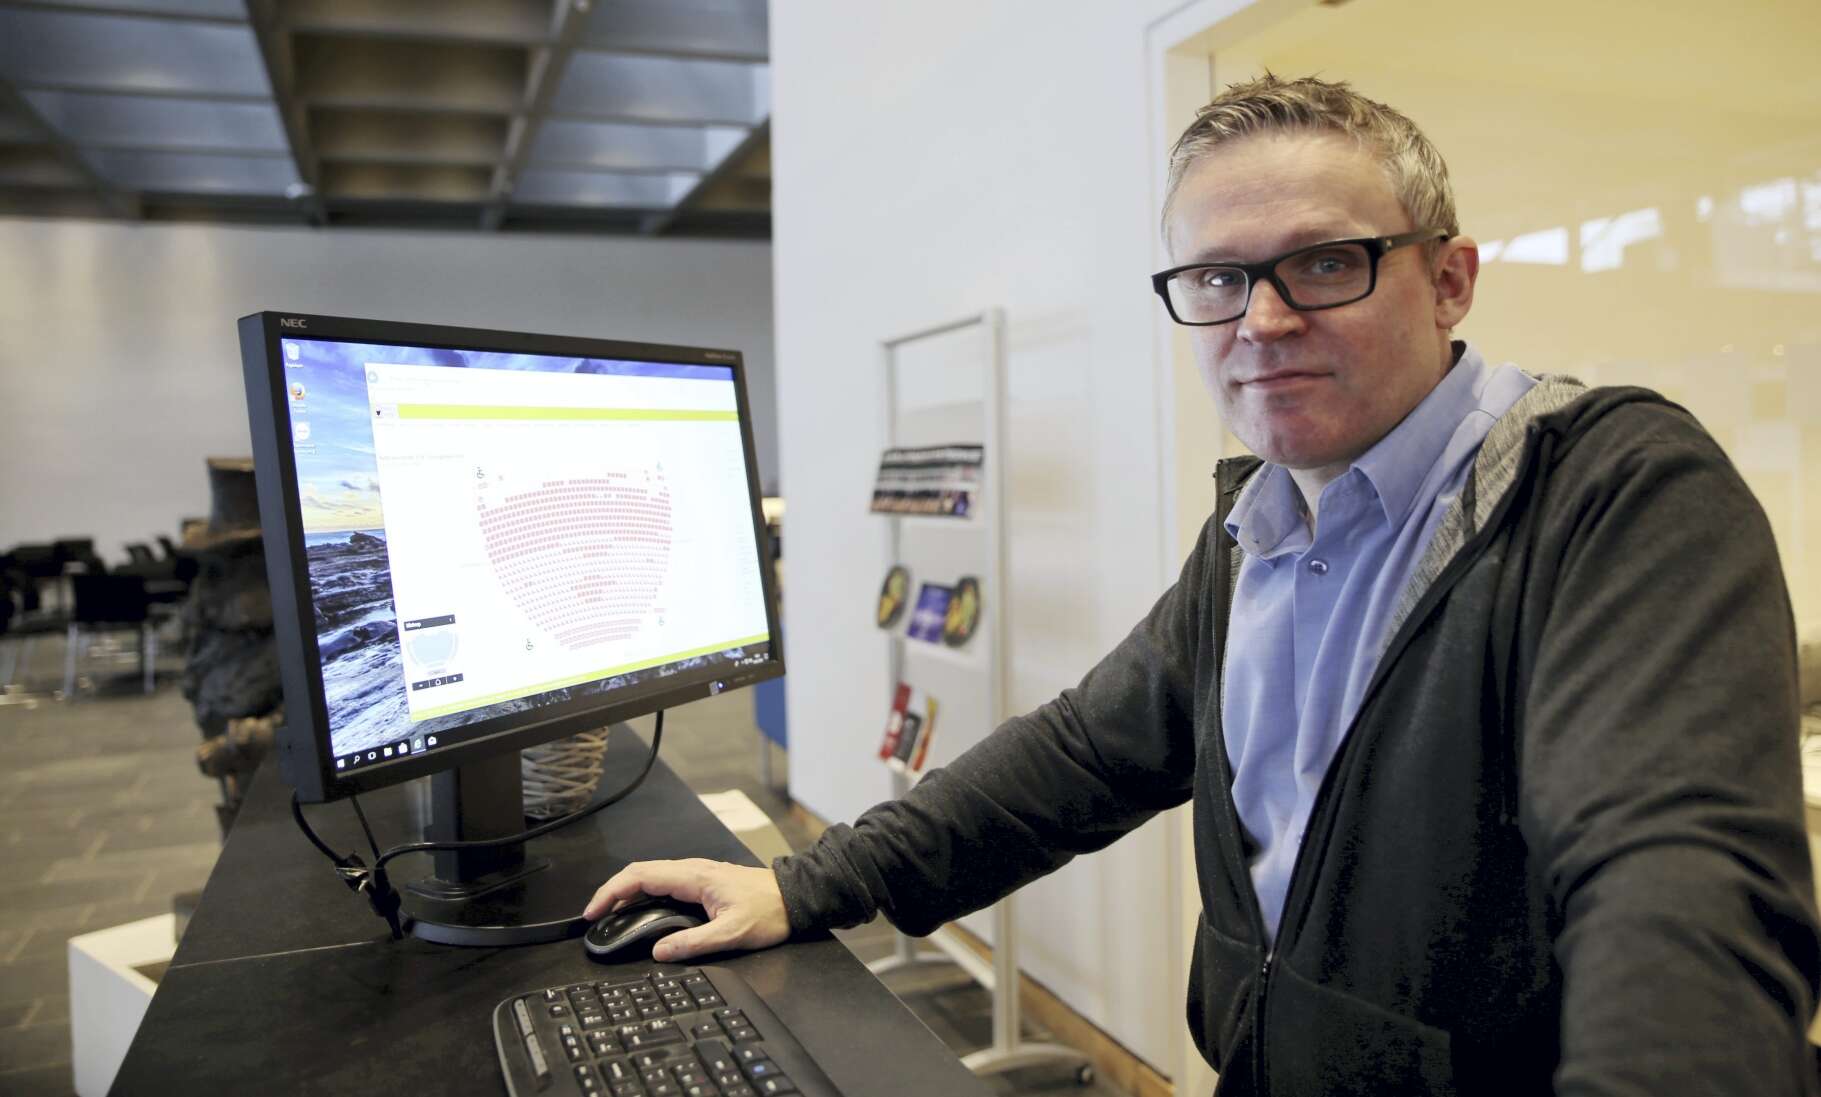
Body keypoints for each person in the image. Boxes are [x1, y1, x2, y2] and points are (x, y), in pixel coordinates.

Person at [589, 75, 1821, 1092]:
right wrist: (809, 882)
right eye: (1220, 280)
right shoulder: (1258, 522)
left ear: (1450, 280)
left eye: (1324, 263)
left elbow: (1681, 902)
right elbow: (1080, 754)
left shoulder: (1615, 493)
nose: (1261, 322)